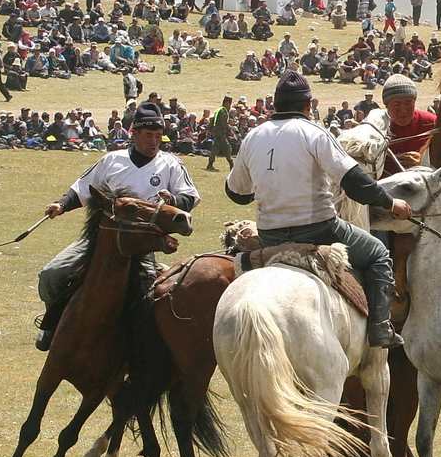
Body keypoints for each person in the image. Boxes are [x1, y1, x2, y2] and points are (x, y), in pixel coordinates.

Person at [225, 72, 409, 347]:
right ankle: (380, 328)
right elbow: (354, 183)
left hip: (270, 236)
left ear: (275, 104)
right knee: (377, 253)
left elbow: (236, 194)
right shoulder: (314, 132)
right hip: (320, 230)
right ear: (308, 105)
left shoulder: (253, 136)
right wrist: (391, 203)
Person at [34, 102, 199, 350]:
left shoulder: (171, 164)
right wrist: (61, 204)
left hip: (143, 245)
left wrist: (173, 200)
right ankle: (52, 323)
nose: (154, 141)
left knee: (152, 297)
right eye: (148, 135)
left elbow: (191, 196)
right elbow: (83, 188)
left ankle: (147, 352)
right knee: (51, 275)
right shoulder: (112, 160)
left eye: (158, 136)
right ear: (133, 134)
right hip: (101, 239)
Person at [365, 74, 437, 176]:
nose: (403, 111)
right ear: (386, 105)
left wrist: (424, 161)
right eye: (397, 105)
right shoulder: (375, 128)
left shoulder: (431, 123)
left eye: (408, 103)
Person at [206, 95, 234, 170]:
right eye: (230, 103)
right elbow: (223, 123)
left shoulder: (219, 110)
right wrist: (229, 130)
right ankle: (231, 164)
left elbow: (212, 120)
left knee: (215, 149)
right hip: (220, 133)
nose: (230, 106)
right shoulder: (223, 111)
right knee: (227, 148)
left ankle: (210, 164)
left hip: (217, 133)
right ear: (227, 103)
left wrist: (209, 129)